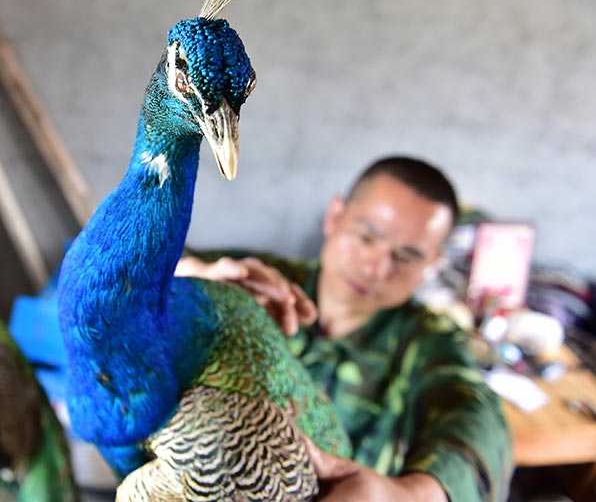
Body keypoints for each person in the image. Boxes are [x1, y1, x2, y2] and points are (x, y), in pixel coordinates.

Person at [176, 155, 513, 502]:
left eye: (405, 257)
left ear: (432, 264)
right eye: (366, 237)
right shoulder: (258, 283)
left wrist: (404, 495)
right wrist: (183, 285)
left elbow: (477, 420)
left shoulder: (426, 340)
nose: (376, 269)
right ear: (335, 217)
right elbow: (160, 259)